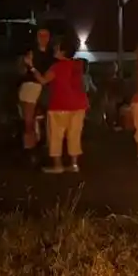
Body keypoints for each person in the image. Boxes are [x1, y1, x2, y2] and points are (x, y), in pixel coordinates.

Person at [36, 36, 88, 174]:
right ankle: (74, 164)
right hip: (79, 104)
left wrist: (32, 68)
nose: (55, 48)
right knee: (74, 135)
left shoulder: (56, 67)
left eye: (57, 47)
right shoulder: (78, 65)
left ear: (63, 51)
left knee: (56, 135)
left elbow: (43, 80)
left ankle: (57, 165)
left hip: (60, 104)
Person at [18, 26, 54, 157]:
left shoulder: (52, 54)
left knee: (50, 117)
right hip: (31, 85)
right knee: (29, 119)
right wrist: (26, 63)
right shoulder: (30, 52)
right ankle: (30, 148)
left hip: (47, 86)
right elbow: (22, 71)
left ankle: (49, 146)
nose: (43, 38)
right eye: (40, 35)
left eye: (46, 35)